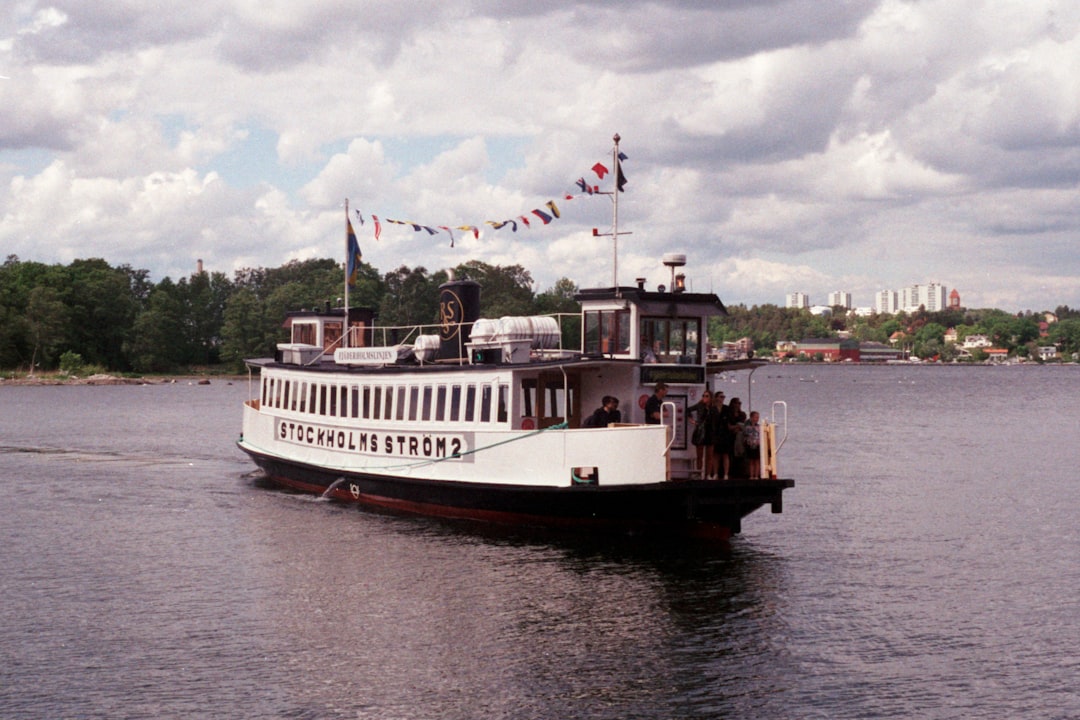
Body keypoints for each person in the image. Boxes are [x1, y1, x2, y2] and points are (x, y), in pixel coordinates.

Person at [687, 390, 717, 479]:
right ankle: (699, 473)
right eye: (703, 395)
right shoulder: (700, 405)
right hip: (700, 431)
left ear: (711, 398)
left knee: (710, 455)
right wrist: (692, 420)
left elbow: (715, 420)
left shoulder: (713, 408)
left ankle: (708, 474)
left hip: (710, 431)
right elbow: (688, 409)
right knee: (699, 455)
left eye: (707, 396)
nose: (704, 397)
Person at [743, 410, 762, 479]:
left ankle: (756, 475)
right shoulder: (747, 427)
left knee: (757, 461)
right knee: (751, 461)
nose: (757, 419)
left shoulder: (759, 427)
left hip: (757, 445)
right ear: (751, 418)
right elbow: (745, 434)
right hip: (750, 445)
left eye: (758, 417)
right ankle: (751, 475)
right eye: (755, 417)